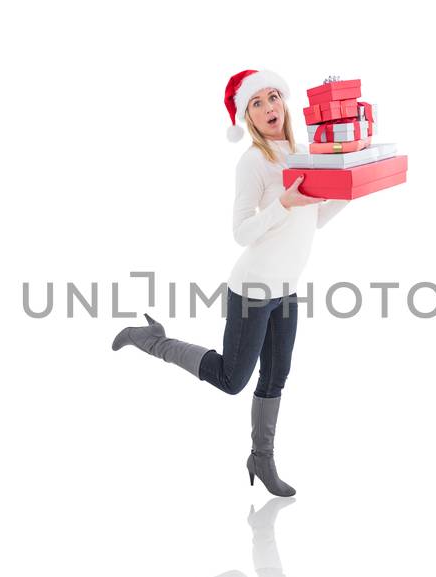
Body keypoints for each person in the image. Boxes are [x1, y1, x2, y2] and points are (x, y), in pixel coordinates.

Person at [112, 70, 349, 497]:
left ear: (284, 101)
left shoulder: (304, 151)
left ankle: (262, 458)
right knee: (231, 378)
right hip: (253, 289)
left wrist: (346, 194)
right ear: (247, 117)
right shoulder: (254, 161)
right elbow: (241, 232)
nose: (268, 107)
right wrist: (284, 201)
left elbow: (312, 220)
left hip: (286, 290)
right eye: (256, 103)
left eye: (272, 96)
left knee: (276, 377)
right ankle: (152, 340)